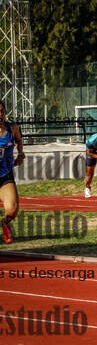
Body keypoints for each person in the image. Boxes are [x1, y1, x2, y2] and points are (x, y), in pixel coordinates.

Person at [0, 101, 25, 244]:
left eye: (2, 111)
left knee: (13, 209)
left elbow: (19, 140)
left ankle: (5, 222)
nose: (0, 114)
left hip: (5, 175)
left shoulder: (12, 128)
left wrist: (20, 154)